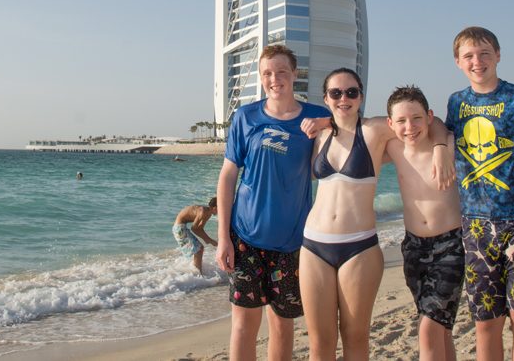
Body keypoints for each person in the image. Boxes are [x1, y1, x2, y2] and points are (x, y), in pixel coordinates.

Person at [299, 70, 452, 361]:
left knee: (355, 338)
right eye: (336, 93)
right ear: (326, 98)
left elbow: (429, 120)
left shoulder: (375, 130)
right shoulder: (318, 136)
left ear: (361, 95)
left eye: (351, 92)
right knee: (320, 343)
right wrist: (325, 122)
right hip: (313, 246)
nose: (344, 98)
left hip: (359, 247)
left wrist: (443, 147)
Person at [215, 44, 331, 361]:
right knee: (243, 325)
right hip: (245, 238)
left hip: (292, 242)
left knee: (281, 326)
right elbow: (228, 177)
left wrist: (325, 125)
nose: (274, 78)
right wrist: (223, 237)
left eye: (281, 71)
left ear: (295, 74)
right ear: (261, 77)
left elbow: (354, 124)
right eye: (267, 72)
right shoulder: (245, 117)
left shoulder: (316, 115)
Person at [446, 26, 514, 361]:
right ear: (458, 62)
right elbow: (436, 136)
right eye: (469, 56)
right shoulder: (456, 102)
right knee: (486, 321)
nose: (477, 61)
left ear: (498, 55)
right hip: (475, 229)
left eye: (484, 53)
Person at [385, 85, 466, 361]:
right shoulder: (393, 148)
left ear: (429, 117)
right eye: (402, 120)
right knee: (440, 329)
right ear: (390, 124)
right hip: (413, 248)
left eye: (417, 118)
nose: (410, 126)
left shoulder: (450, 144)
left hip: (451, 246)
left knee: (429, 330)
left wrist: (442, 145)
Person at [173, 197, 219, 274]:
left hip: (182, 227)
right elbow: (194, 228)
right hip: (179, 228)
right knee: (199, 249)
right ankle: (198, 274)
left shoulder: (208, 214)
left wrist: (208, 240)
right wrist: (209, 240)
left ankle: (197, 273)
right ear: (215, 207)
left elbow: (199, 229)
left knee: (199, 249)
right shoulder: (203, 211)